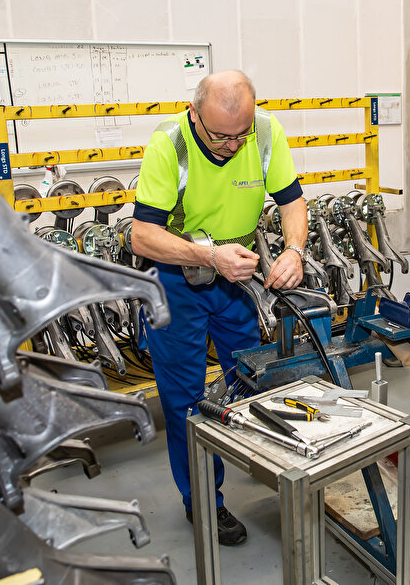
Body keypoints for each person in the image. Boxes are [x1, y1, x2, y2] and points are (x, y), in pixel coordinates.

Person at [131, 70, 308, 545]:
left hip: (237, 278)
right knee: (185, 398)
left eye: (241, 134)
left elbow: (292, 200)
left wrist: (294, 249)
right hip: (175, 281)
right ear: (194, 114)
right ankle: (204, 501)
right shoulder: (168, 145)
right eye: (220, 135)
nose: (232, 145)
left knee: (251, 377)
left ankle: (257, 457)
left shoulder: (265, 132)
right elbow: (142, 235)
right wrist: (209, 255)